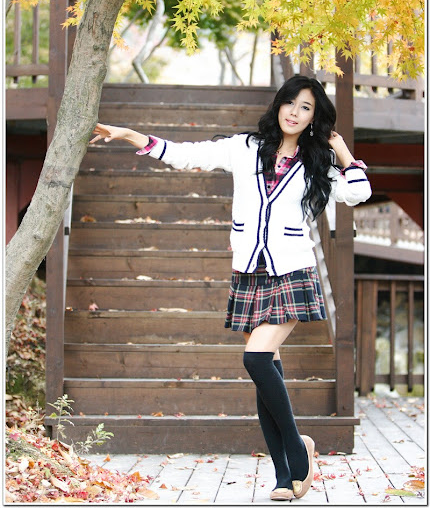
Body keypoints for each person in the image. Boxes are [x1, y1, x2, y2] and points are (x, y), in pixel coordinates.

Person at [90, 75, 371, 502]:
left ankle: (298, 448)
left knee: (256, 359)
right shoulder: (245, 147)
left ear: (315, 117)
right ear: (279, 105)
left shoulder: (317, 162)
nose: (295, 113)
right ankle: (284, 475)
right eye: (290, 103)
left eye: (306, 108)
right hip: (249, 272)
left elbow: (359, 192)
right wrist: (131, 135)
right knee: (265, 372)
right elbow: (186, 155)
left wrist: (341, 149)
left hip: (291, 272)